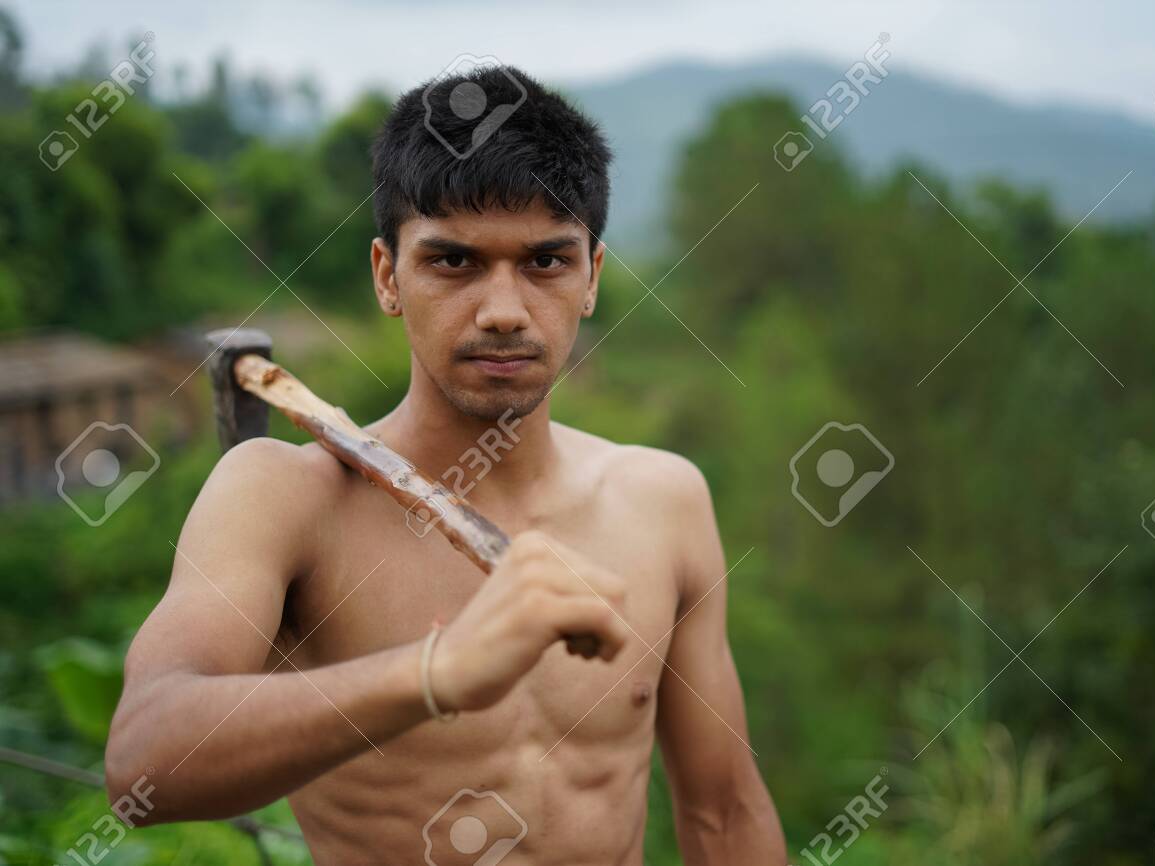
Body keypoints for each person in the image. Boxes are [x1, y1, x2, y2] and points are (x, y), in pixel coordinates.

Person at [106, 65, 786, 865]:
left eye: (545, 262)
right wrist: (435, 673)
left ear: (592, 277)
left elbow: (725, 815)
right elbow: (143, 761)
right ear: (389, 277)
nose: (503, 312)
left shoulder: (663, 498)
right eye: (453, 262)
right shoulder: (285, 495)